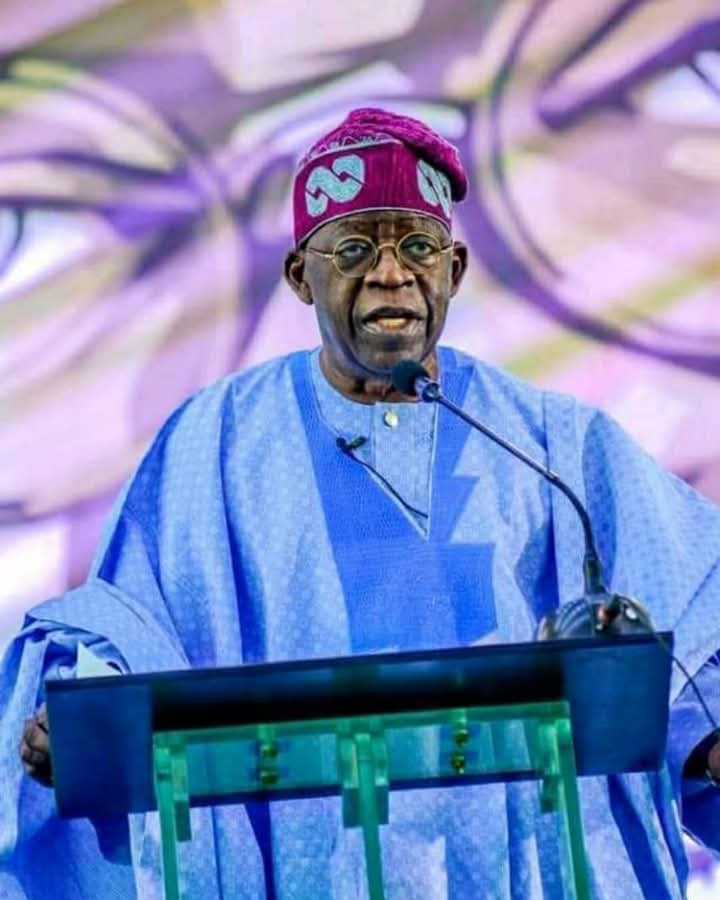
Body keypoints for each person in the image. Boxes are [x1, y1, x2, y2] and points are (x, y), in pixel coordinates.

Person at [4, 107, 720, 899]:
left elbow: (690, 621)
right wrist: (85, 718)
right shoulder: (215, 443)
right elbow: (129, 628)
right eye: (353, 250)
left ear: (455, 269)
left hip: (542, 866)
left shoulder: (555, 442)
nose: (390, 273)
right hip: (313, 870)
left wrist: (707, 739)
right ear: (299, 276)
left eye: (418, 247)